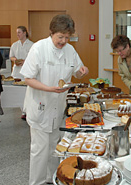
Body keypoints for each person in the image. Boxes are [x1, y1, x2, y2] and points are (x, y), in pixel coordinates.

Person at [20, 14, 89, 185]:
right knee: (39, 150)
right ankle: (36, 182)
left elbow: (77, 70)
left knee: (55, 147)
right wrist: (49, 89)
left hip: (58, 107)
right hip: (40, 107)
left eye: (67, 37)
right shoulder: (38, 48)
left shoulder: (70, 50)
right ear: (51, 32)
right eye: (60, 37)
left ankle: (52, 179)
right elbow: (28, 78)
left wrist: (82, 70)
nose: (64, 41)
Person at [10, 26, 34, 120]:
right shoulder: (14, 45)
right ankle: (22, 110)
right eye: (17, 33)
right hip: (17, 71)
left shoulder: (32, 45)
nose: (18, 35)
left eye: (19, 32)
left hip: (27, 71)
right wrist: (15, 60)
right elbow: (11, 56)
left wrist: (25, 62)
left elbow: (34, 58)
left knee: (26, 93)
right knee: (17, 92)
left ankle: (26, 111)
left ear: (24, 33)